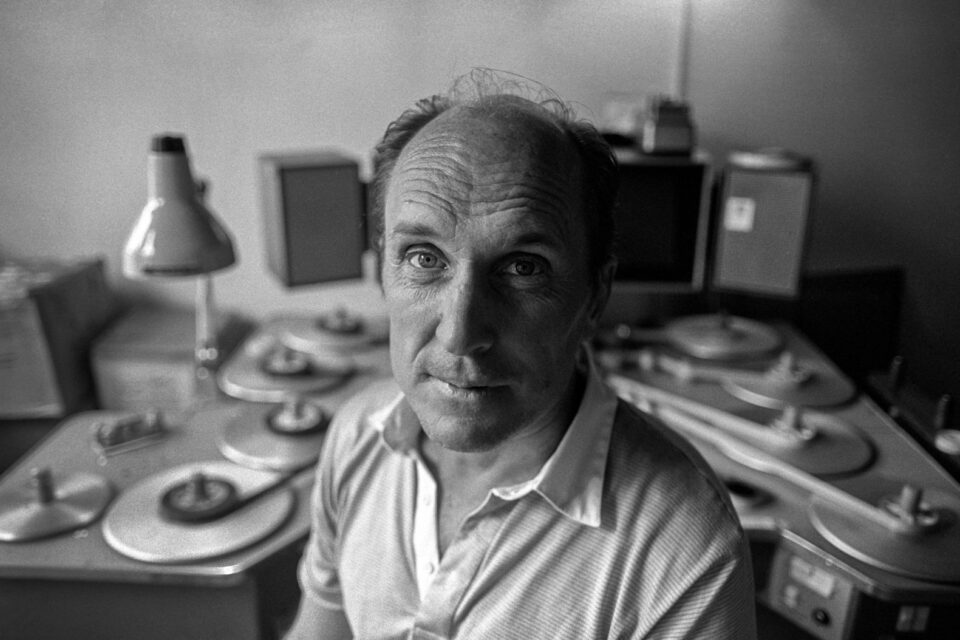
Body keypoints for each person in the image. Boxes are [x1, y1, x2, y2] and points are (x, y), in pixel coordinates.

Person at [285, 73, 757, 639]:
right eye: (424, 257)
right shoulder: (355, 436)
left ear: (595, 295)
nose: (460, 335)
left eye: (522, 267)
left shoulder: (685, 551)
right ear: (383, 270)